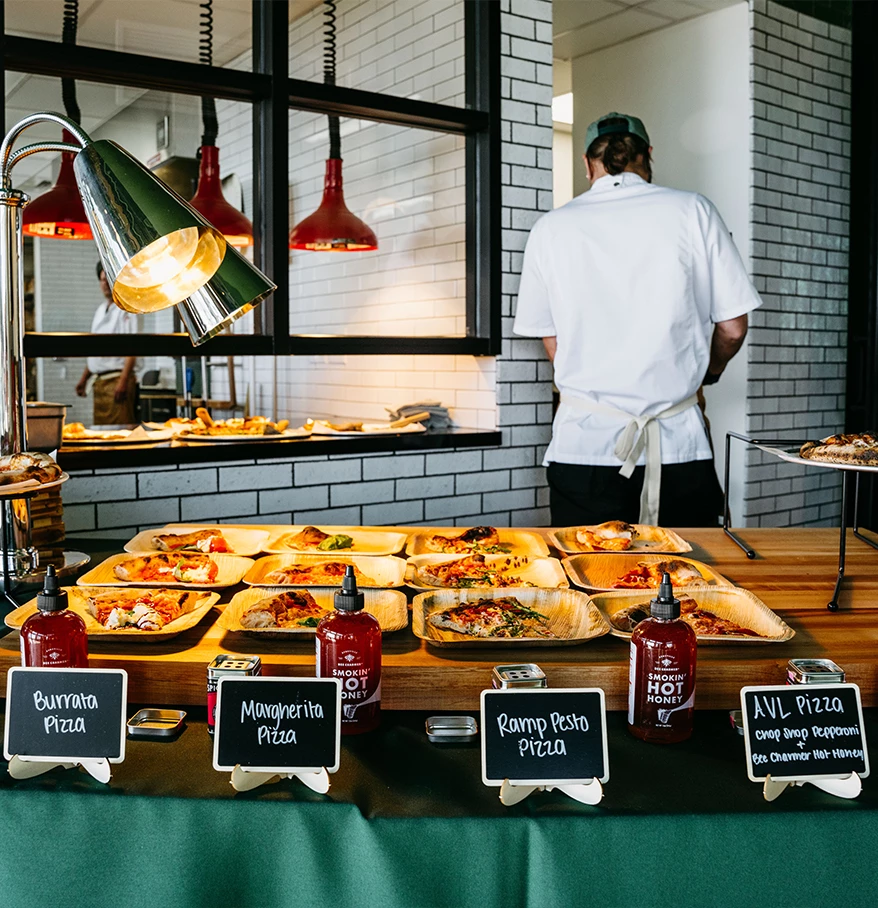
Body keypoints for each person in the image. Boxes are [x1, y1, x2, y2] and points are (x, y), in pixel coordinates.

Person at [513, 112, 762, 528]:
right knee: (688, 582)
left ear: (587, 163)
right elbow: (733, 326)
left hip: (583, 449)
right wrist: (709, 372)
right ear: (647, 156)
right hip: (678, 447)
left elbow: (552, 342)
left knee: (587, 578)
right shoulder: (693, 211)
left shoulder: (550, 228)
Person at [75, 262, 140, 425]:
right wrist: (84, 379)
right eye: (102, 280)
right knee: (102, 435)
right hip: (99, 382)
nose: (105, 284)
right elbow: (95, 348)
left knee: (121, 432)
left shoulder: (127, 308)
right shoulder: (100, 311)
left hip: (117, 380)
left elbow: (133, 347)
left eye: (108, 279)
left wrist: (123, 382)